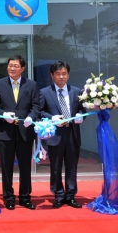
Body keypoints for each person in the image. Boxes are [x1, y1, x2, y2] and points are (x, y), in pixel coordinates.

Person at [0, 55, 40, 210]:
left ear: (22, 68)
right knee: (6, 167)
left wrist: (31, 117)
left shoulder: (31, 85)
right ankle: (9, 198)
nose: (12, 68)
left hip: (25, 131)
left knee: (25, 167)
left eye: (15, 66)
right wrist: (2, 114)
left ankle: (25, 197)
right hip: (6, 131)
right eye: (10, 65)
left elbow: (36, 106)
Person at [40, 61, 85, 209]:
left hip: (72, 134)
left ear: (68, 75)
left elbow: (83, 110)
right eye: (58, 74)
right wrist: (51, 118)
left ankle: (71, 195)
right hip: (55, 134)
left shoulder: (77, 91)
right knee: (56, 166)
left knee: (72, 166)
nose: (61, 77)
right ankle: (58, 195)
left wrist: (81, 116)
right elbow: (39, 111)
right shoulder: (45, 92)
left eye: (64, 73)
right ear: (52, 75)